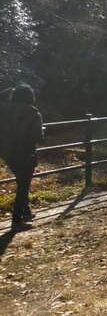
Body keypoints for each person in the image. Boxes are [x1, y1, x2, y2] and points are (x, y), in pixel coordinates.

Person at [0, 84, 44, 231]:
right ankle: (17, 221)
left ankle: (26, 212)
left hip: (7, 152)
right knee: (23, 186)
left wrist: (10, 91)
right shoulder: (33, 114)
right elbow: (37, 137)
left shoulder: (4, 109)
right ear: (31, 97)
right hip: (25, 154)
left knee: (21, 181)